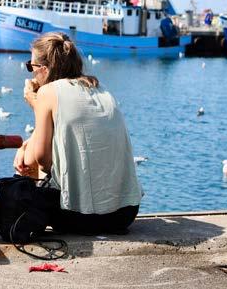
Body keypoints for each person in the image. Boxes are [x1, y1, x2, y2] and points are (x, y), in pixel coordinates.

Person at [14, 32, 141, 235]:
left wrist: (35, 104)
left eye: (31, 67)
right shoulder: (100, 88)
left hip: (76, 218)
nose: (31, 74)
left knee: (29, 169)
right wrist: (26, 143)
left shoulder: (48, 92)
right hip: (124, 215)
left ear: (44, 70)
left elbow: (37, 160)